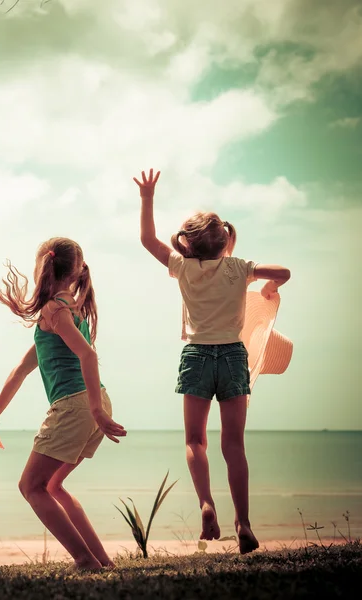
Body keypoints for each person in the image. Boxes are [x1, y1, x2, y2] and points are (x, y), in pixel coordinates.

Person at [134, 169, 291, 554]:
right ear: (225, 242)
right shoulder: (239, 268)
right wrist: (269, 287)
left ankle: (207, 503)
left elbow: (147, 240)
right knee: (234, 445)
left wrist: (148, 198)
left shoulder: (183, 268)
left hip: (197, 355)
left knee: (194, 440)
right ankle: (244, 522)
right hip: (234, 356)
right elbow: (284, 272)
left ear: (190, 244)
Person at [0, 237, 126, 570]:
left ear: (42, 268)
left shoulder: (54, 312)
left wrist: (94, 410)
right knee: (53, 485)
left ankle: (84, 560)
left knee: (30, 486)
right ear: (76, 273)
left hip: (79, 406)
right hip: (93, 400)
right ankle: (102, 560)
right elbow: (22, 369)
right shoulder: (66, 311)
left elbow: (87, 355)